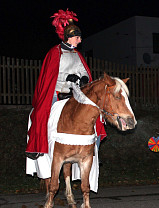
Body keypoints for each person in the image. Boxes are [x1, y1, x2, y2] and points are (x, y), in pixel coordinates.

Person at [25, 9, 106, 182]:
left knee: (97, 115)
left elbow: (84, 72)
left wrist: (83, 77)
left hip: (76, 94)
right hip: (58, 93)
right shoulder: (55, 53)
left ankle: (94, 145)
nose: (80, 40)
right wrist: (64, 81)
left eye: (80, 37)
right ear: (68, 37)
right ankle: (37, 146)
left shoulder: (78, 55)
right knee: (41, 114)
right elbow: (49, 77)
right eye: (77, 37)